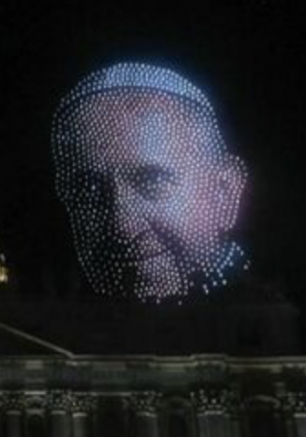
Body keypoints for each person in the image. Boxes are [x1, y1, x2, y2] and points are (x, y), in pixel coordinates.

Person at [52, 63, 248, 302]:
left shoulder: (258, 310)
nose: (122, 224)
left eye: (154, 181)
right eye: (89, 189)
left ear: (224, 192)